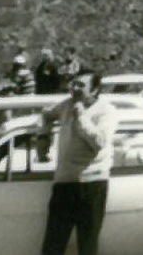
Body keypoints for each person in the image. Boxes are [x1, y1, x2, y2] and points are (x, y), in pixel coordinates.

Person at [36, 70, 120, 255]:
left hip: (92, 185)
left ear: (95, 90)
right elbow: (44, 115)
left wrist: (81, 117)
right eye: (73, 83)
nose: (74, 88)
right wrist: (43, 136)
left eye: (81, 85)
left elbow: (98, 142)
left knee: (87, 245)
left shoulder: (107, 111)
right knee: (53, 245)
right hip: (65, 184)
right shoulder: (66, 105)